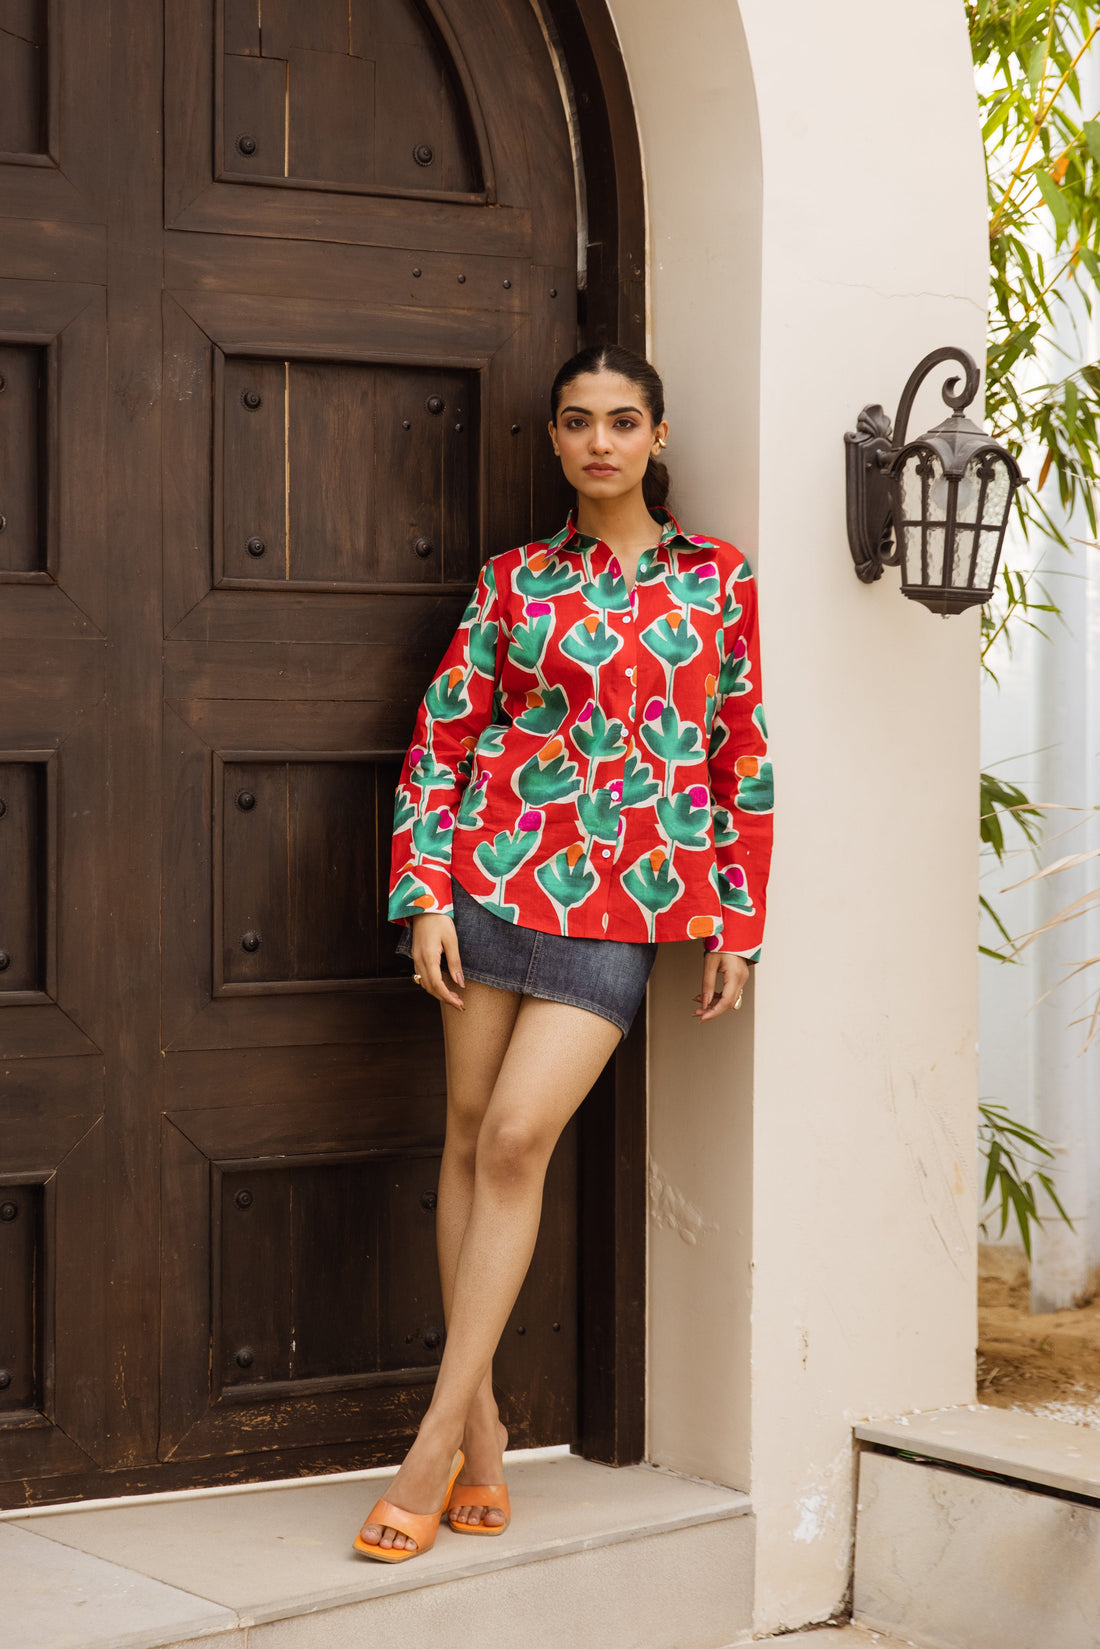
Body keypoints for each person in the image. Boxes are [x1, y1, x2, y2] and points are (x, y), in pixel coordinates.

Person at [354, 344, 773, 1561]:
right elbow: (442, 738)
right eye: (578, 421)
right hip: (491, 881)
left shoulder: (717, 581)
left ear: (656, 436)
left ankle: (432, 1439)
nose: (599, 441)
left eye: (622, 420)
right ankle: (482, 1431)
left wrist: (738, 921)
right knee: (465, 1131)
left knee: (514, 1138)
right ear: (551, 438)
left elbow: (738, 754)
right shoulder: (513, 581)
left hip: (623, 906)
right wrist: (425, 892)